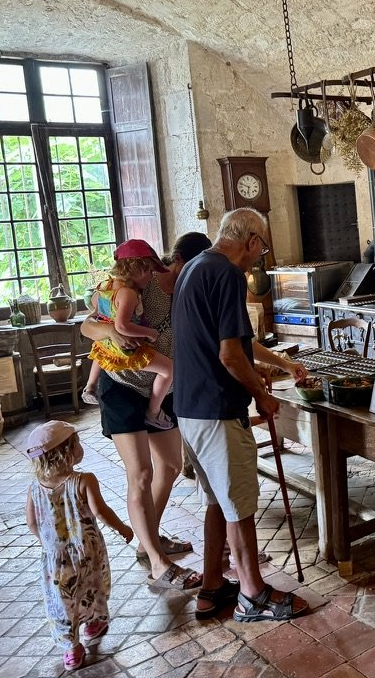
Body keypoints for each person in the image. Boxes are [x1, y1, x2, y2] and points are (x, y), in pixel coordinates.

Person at [172, 207, 310, 622]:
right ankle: (254, 595)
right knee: (240, 507)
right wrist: (260, 396)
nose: (259, 257)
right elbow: (230, 355)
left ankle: (213, 584)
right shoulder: (229, 274)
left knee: (219, 501)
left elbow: (239, 346)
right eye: (262, 248)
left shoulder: (195, 267)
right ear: (250, 241)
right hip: (217, 409)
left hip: (190, 409)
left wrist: (282, 365)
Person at [80, 232, 212, 591]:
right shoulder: (142, 284)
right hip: (122, 386)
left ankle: (147, 538)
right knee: (140, 473)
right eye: (197, 269)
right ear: (179, 263)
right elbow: (87, 322)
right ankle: (157, 562)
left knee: (168, 466)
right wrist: (108, 331)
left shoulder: (190, 292)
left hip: (159, 385)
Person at [24, 420, 134, 672]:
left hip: (55, 559)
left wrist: (48, 544)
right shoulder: (84, 480)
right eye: (78, 444)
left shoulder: (34, 488)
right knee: (93, 588)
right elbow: (101, 512)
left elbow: (31, 521)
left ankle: (71, 648)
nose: (81, 448)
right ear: (67, 451)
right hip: (86, 553)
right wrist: (123, 528)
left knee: (63, 601)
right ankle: (93, 624)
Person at [89, 239, 174, 430]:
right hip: (126, 348)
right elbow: (122, 326)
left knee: (98, 349)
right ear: (139, 268)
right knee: (169, 369)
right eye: (150, 271)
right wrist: (150, 333)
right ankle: (153, 412)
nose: (151, 277)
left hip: (107, 347)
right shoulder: (128, 294)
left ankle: (90, 386)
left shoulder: (104, 287)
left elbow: (98, 316)